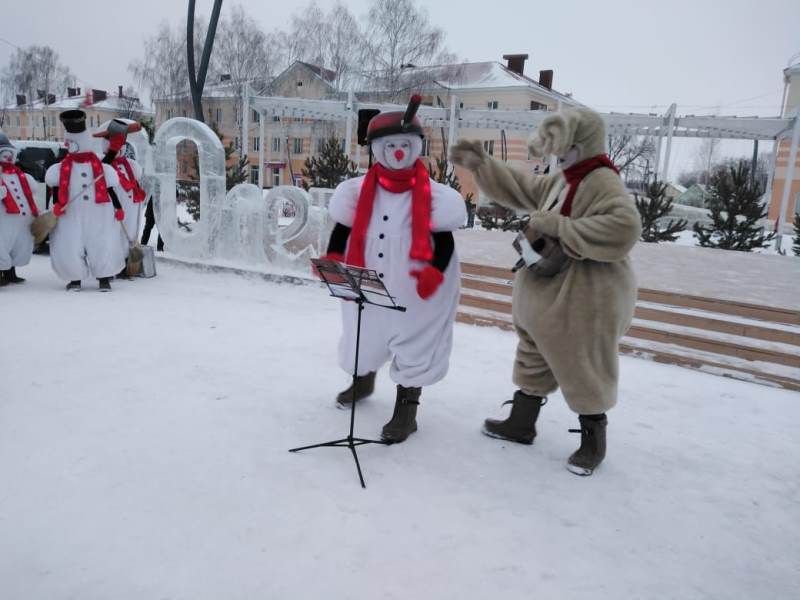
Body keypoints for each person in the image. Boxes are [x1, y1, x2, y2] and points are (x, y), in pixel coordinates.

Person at [450, 106, 641, 475]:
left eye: (562, 146)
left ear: (580, 142)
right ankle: (521, 423)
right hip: (547, 296)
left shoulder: (601, 180)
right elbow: (526, 188)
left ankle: (592, 442)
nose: (556, 154)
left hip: (582, 300)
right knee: (533, 357)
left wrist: (561, 227)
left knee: (583, 366)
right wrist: (483, 163)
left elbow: (625, 226)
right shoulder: (565, 178)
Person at [321, 94, 467, 443]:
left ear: (416, 147)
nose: (397, 152)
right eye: (389, 145)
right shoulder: (357, 191)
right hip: (367, 272)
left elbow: (444, 239)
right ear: (376, 149)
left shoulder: (436, 197)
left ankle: (407, 408)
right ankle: (363, 379)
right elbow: (345, 227)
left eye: (405, 144)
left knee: (416, 339)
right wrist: (334, 256)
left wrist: (435, 270)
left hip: (417, 282)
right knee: (362, 330)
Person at [44, 109, 127, 292]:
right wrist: (56, 204)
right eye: (68, 143)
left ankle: (104, 277)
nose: (69, 146)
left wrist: (118, 207)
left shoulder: (99, 165)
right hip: (70, 213)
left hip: (99, 212)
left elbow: (110, 188)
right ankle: (75, 279)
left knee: (102, 242)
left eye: (72, 143)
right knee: (70, 244)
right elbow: (56, 188)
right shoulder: (60, 167)